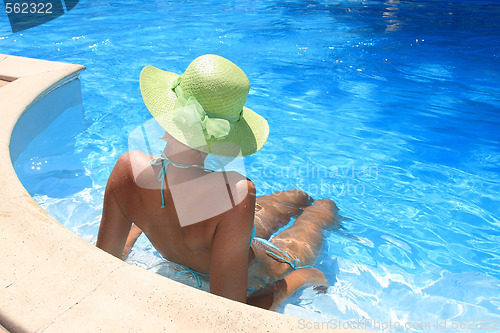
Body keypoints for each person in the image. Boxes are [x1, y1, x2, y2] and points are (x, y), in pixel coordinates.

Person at [96, 54, 341, 310]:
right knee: (322, 208)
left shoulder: (127, 168)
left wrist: (144, 221)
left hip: (227, 231)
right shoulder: (235, 192)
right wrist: (302, 277)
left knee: (292, 200)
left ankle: (299, 199)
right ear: (224, 132)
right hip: (267, 266)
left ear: (170, 110)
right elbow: (231, 311)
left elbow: (104, 259)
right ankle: (311, 202)